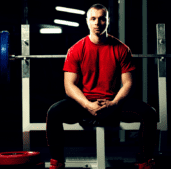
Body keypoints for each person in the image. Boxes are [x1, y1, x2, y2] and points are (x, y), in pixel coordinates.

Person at [46, 3, 158, 169]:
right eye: (93, 19)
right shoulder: (76, 50)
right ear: (87, 22)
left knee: (149, 113)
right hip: (84, 103)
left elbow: (129, 83)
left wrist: (114, 103)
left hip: (113, 103)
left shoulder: (122, 49)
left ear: (108, 21)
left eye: (101, 19)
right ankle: (58, 162)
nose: (97, 23)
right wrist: (87, 105)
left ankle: (145, 161)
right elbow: (69, 86)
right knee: (54, 112)